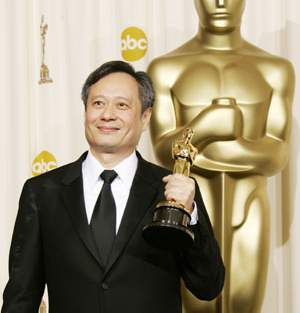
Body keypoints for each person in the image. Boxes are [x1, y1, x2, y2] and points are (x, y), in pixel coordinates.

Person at [1, 60, 225, 313]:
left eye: (122, 105)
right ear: (85, 112)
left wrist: (190, 214)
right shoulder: (43, 192)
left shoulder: (173, 190)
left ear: (145, 117)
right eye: (98, 103)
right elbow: (21, 296)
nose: (107, 114)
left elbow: (208, 286)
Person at [147, 0, 295, 313]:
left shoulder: (274, 69)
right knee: (197, 305)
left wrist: (197, 144)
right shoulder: (166, 69)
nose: (221, 2)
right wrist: (210, 124)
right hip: (190, 206)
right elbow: (161, 149)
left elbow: (277, 154)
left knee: (245, 302)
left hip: (250, 206)